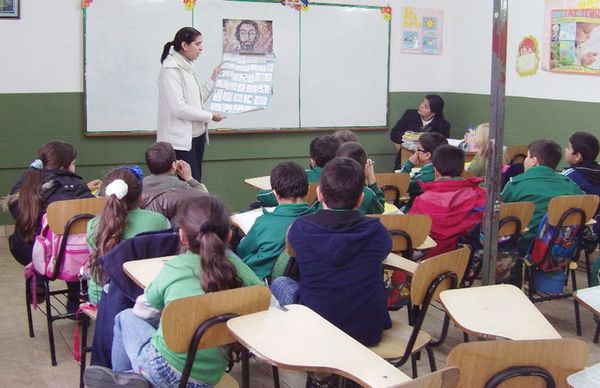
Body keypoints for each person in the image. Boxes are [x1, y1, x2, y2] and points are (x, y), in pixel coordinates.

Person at [84, 196, 262, 387]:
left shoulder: (175, 268)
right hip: (209, 378)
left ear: (182, 236)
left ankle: (122, 378)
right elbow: (267, 302)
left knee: (125, 317)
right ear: (228, 236)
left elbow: (143, 312)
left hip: (164, 371)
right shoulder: (244, 273)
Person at [270, 157, 392, 346]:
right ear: (360, 199)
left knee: (280, 282)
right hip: (366, 332)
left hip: (315, 328)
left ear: (319, 193)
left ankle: (287, 340)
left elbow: (293, 254)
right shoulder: (377, 232)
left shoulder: (299, 229)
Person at [2, 141, 101, 313]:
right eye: (74, 163)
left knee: (34, 237)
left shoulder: (27, 181)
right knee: (77, 250)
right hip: (65, 255)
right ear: (66, 165)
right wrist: (85, 190)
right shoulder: (75, 186)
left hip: (28, 249)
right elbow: (83, 210)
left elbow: (19, 209)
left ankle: (36, 276)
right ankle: (76, 304)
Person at [85, 167, 170, 305]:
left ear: (107, 194)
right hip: (147, 297)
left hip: (103, 297)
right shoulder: (158, 221)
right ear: (140, 195)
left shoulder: (93, 225)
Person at [157, 27, 225, 183]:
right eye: (197, 44)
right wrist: (210, 116)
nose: (201, 48)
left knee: (196, 182)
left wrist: (213, 79)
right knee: (189, 186)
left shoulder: (188, 67)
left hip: (197, 136)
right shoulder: (170, 70)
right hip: (180, 142)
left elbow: (196, 101)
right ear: (184, 45)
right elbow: (179, 108)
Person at [501, 138, 584, 254]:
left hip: (523, 245)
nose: (525, 160)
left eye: (527, 156)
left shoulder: (515, 184)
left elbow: (500, 214)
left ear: (534, 161)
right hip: (559, 246)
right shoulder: (570, 184)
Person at [237, 162, 317, 280]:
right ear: (308, 189)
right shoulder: (317, 219)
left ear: (274, 193)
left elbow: (242, 251)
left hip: (262, 282)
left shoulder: (263, 223)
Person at [408, 145, 486, 258]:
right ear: (462, 170)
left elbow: (410, 233)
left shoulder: (423, 201)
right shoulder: (482, 195)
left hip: (430, 265)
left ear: (436, 170)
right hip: (471, 262)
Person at [256, 135, 339, 207]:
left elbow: (269, 196)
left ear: (312, 161)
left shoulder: (301, 177)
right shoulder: (345, 178)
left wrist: (260, 194)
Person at [141, 142, 209, 223]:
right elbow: (204, 198)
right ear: (174, 165)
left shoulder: (141, 183)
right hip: (170, 231)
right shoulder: (180, 185)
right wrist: (189, 178)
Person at [390, 94, 451, 170]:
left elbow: (442, 147)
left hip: (428, 164)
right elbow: (394, 134)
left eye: (426, 106)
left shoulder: (443, 125)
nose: (421, 106)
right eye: (422, 102)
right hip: (405, 158)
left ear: (433, 113)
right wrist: (408, 137)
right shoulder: (410, 115)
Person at [396, 132, 448, 210]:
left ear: (427, 155)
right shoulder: (445, 169)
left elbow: (400, 187)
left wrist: (409, 164)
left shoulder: (424, 177)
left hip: (414, 212)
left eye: (418, 149)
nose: (416, 152)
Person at [561, 131, 600, 235]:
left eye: (568, 148)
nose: (565, 149)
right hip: (593, 230)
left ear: (577, 156)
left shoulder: (567, 176)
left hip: (571, 232)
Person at [335, 142, 385, 215]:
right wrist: (371, 177)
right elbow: (380, 211)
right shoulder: (367, 193)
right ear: (364, 167)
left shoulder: (328, 189)